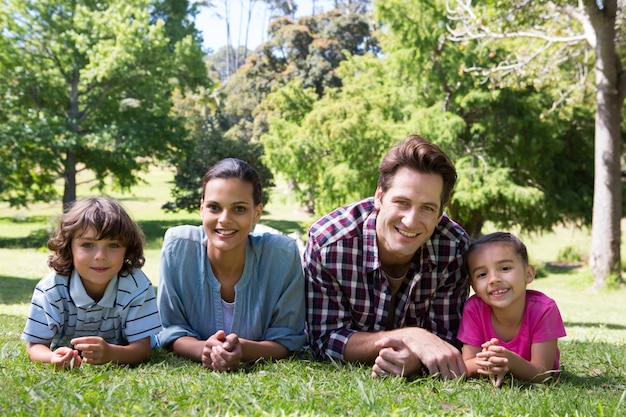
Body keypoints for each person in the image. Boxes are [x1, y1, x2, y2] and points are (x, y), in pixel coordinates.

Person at [304, 134, 470, 379]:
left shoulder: (453, 247)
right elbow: (324, 340)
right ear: (379, 197)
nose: (411, 220)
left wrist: (414, 359)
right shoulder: (329, 243)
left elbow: (443, 341)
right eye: (402, 202)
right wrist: (410, 336)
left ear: (439, 213)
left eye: (427, 208)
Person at [157, 158, 306, 372]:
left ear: (257, 212)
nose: (224, 219)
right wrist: (204, 350)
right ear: (201, 209)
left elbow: (287, 339)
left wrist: (243, 350)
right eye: (214, 207)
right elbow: (170, 329)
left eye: (239, 209)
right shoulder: (178, 247)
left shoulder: (282, 255)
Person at [22, 197, 162, 370]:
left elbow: (142, 349)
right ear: (69, 247)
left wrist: (111, 354)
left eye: (113, 245)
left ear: (127, 248)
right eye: (88, 244)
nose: (100, 256)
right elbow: (34, 346)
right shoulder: (51, 289)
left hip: (122, 346)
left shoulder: (136, 285)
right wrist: (52, 358)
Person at [458, 232, 566, 387]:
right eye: (482, 274)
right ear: (474, 286)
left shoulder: (544, 310)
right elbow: (466, 366)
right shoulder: (474, 309)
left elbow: (543, 375)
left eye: (505, 268)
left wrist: (510, 362)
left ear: (528, 274)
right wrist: (492, 360)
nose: (494, 279)